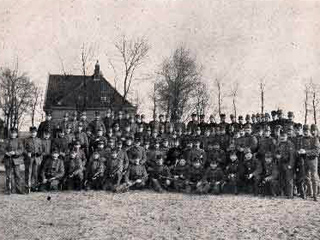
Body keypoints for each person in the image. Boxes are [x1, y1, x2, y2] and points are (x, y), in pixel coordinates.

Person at [2, 127, 24, 194]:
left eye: (14, 133)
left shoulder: (19, 141)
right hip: (8, 160)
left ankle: (18, 189)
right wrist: (6, 153)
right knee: (8, 175)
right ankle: (9, 190)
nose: (13, 134)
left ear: (16, 134)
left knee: (17, 175)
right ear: (10, 133)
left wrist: (15, 152)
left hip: (16, 160)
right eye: (11, 133)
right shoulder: (6, 140)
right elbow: (2, 148)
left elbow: (21, 149)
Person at [300, 124, 320, 201]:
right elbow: (301, 148)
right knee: (306, 177)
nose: (305, 132)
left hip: (313, 160)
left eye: (307, 131)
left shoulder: (315, 139)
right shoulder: (302, 139)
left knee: (314, 177)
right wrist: (300, 152)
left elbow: (317, 151)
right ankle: (310, 193)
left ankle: (315, 195)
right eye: (304, 131)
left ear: (310, 131)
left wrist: (306, 151)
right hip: (305, 160)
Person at [276, 130, 295, 198]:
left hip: (288, 164)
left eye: (284, 136)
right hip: (281, 164)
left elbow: (292, 156)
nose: (282, 137)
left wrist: (290, 164)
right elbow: (277, 152)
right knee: (282, 179)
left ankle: (290, 195)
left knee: (289, 180)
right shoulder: (279, 144)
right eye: (281, 136)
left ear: (287, 136)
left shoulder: (290, 144)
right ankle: (283, 193)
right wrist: (277, 156)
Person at [24, 126, 43, 192]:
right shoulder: (26, 140)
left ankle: (34, 186)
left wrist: (39, 153)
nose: (33, 134)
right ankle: (27, 186)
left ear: (36, 132)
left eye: (34, 132)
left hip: (36, 158)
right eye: (32, 132)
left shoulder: (39, 140)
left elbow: (41, 149)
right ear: (30, 132)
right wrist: (27, 153)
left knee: (35, 173)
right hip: (29, 158)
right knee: (28, 172)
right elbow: (24, 149)